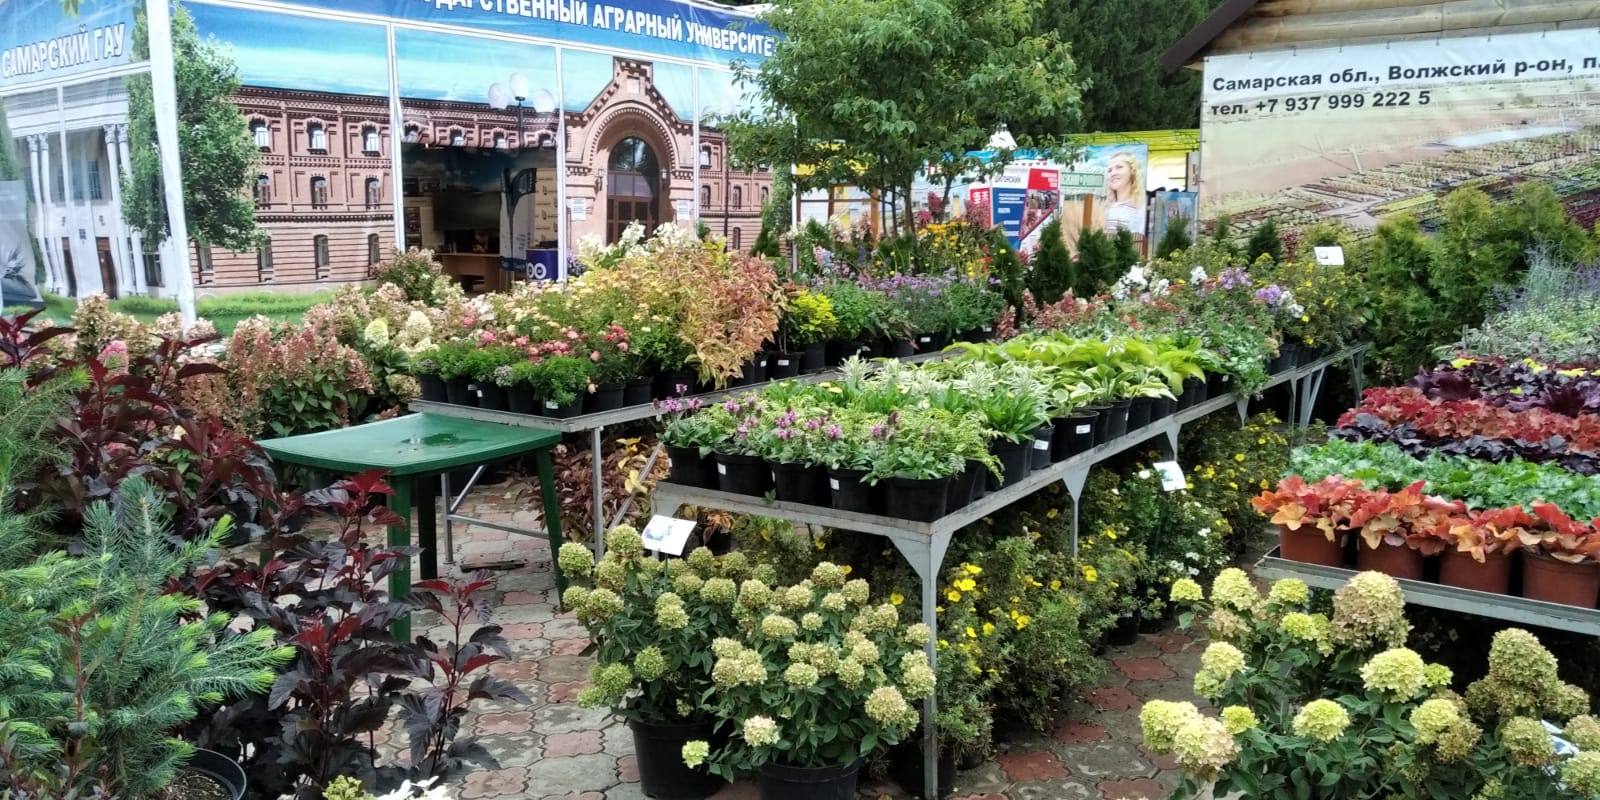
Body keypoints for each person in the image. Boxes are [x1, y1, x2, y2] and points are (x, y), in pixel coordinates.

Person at [1102, 151, 1145, 239]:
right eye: (1109, 170)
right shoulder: (1105, 209)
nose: (1113, 173)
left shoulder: (1141, 209)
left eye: (1119, 167)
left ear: (1132, 171)